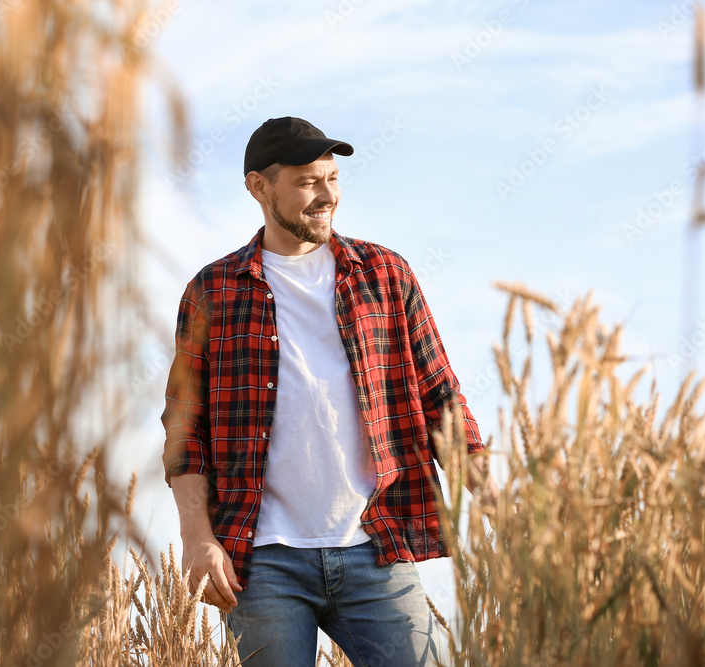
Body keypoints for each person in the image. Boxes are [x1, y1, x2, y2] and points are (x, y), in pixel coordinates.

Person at [162, 116, 499, 666]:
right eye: (307, 182)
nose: (326, 196)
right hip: (261, 559)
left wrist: (488, 497)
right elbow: (184, 428)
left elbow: (441, 394)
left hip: (376, 546)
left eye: (333, 179)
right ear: (258, 187)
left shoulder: (386, 275)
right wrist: (197, 536)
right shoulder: (211, 291)